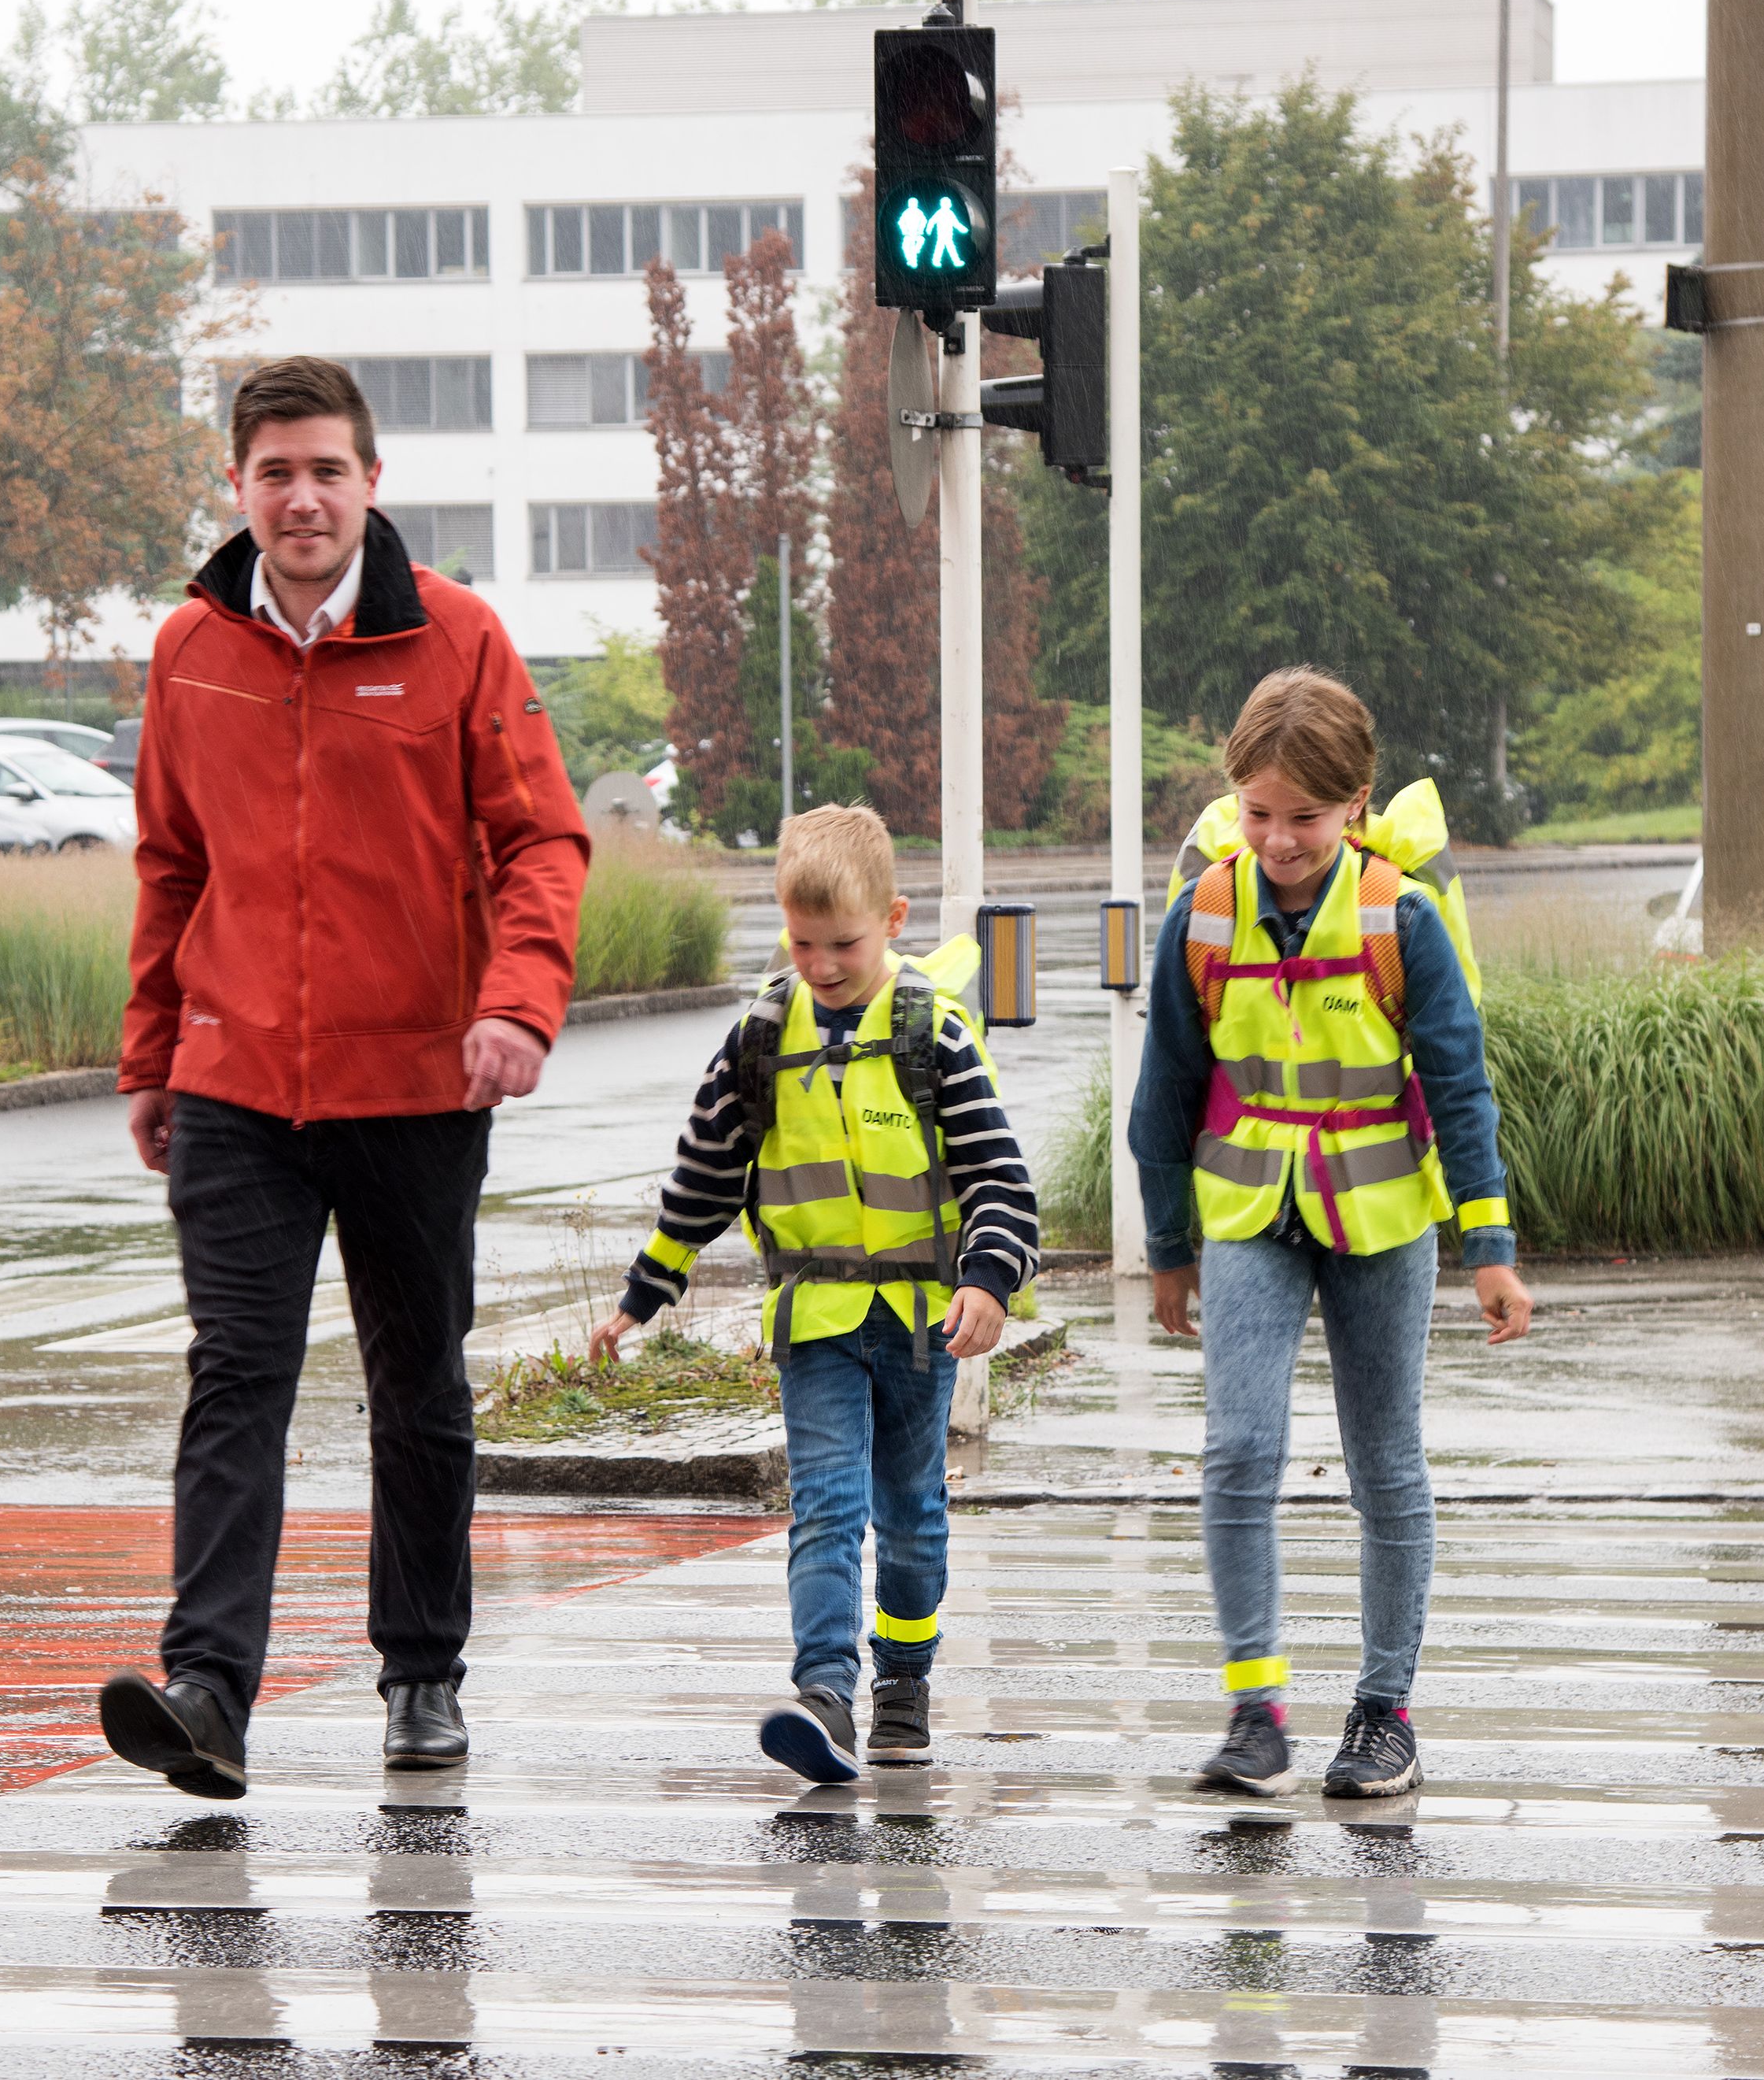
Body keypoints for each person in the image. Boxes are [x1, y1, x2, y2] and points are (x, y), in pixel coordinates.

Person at [100, 357, 589, 1799]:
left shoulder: (458, 641)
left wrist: (517, 1007)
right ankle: (209, 1692)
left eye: (326, 469)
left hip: (416, 1089)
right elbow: (170, 864)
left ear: (373, 483)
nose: (301, 496)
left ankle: (423, 1669)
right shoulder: (190, 648)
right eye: (274, 473)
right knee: (236, 1374)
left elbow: (542, 841)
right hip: (238, 1081)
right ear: (239, 490)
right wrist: (149, 1056)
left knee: (417, 1385)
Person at [1129, 668, 1532, 1801]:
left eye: (1304, 817)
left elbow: (1461, 1087)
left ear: (1355, 804)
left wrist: (1488, 1247)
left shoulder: (1399, 917)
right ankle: (1256, 1712)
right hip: (1251, 1214)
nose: (1280, 839)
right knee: (1239, 1448)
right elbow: (1164, 1096)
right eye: (1259, 816)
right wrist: (1169, 1249)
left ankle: (1383, 1713)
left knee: (1385, 1464)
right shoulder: (1205, 916)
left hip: (1380, 1217)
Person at [586, 804, 1039, 1783]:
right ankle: (825, 1694)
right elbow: (702, 1177)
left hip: (922, 1326)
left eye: (843, 943)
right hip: (816, 1323)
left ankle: (903, 1684)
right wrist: (642, 1294)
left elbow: (1000, 1180)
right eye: (800, 942)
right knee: (826, 1506)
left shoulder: (934, 1037)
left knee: (910, 1512)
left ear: (895, 919)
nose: (821, 964)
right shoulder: (758, 1039)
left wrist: (989, 1282)